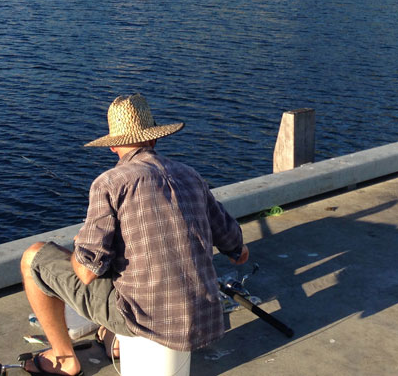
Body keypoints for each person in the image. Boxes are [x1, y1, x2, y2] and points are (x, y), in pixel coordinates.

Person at [19, 94, 249, 375]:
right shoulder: (191, 175)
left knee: (34, 258)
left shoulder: (109, 183)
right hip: (204, 321)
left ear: (113, 145)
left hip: (148, 320)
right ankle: (112, 340)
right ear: (154, 139)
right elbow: (237, 249)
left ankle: (64, 358)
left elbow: (87, 272)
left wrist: (82, 245)